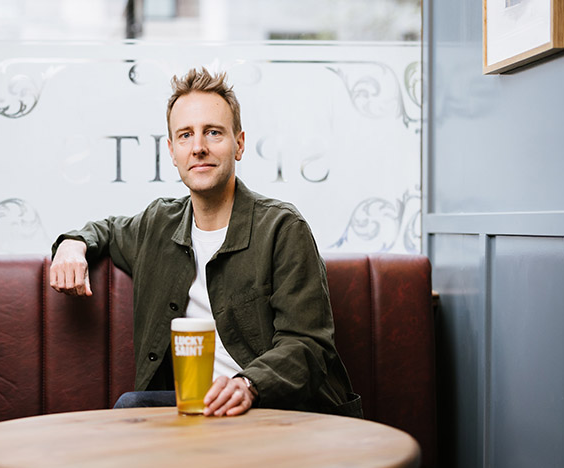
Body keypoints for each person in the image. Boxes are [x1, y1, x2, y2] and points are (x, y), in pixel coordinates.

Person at [50, 67, 361, 418]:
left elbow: (308, 345)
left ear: (239, 144)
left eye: (213, 133)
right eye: (185, 135)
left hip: (279, 410)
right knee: (130, 410)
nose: (198, 147)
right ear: (172, 151)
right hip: (196, 413)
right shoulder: (157, 226)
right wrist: (72, 245)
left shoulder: (283, 228)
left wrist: (248, 384)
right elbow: (104, 230)